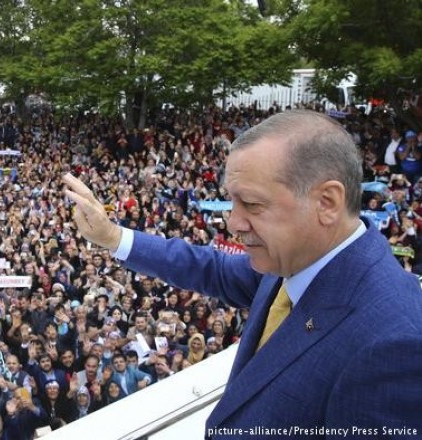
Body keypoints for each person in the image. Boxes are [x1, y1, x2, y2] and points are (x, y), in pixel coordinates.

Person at [63, 110, 422, 437]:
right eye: (233, 202)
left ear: (326, 203)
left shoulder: (393, 346)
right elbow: (212, 268)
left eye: (252, 204)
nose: (233, 222)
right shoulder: (294, 260)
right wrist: (112, 236)